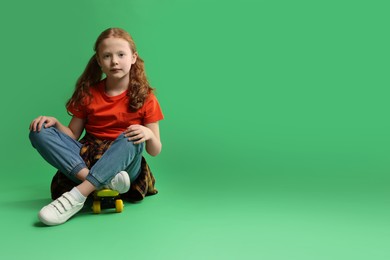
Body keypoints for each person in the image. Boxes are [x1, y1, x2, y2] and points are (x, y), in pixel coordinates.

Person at [29, 28, 164, 226]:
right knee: (39, 131)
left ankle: (77, 195)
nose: (114, 61)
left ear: (133, 57)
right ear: (99, 61)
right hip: (87, 159)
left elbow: (155, 150)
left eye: (121, 55)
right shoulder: (89, 93)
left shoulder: (147, 98)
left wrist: (147, 134)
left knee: (133, 134)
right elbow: (73, 135)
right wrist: (56, 124)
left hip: (125, 164)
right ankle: (102, 182)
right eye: (107, 56)